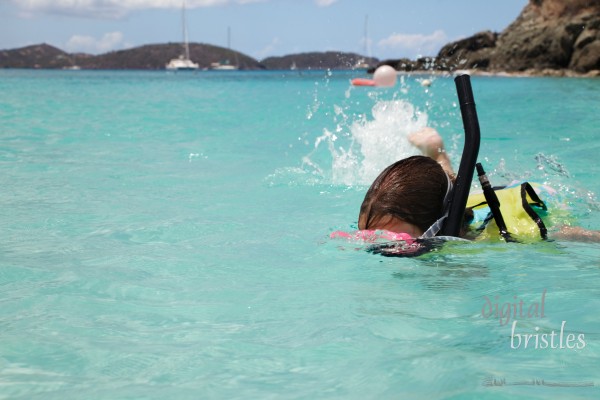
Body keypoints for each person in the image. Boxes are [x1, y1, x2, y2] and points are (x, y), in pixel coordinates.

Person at [356, 127, 600, 243]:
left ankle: (438, 155)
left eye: (399, 239)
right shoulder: (444, 213)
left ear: (442, 228)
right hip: (468, 203)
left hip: (520, 202)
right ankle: (436, 152)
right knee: (457, 188)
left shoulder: (514, 233)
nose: (387, 246)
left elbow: (575, 235)